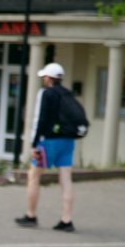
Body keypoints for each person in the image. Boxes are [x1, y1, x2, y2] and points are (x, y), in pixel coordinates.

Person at [15, 62, 76, 232]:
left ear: (49, 78)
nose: (43, 79)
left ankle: (31, 215)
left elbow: (40, 120)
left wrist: (34, 144)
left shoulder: (45, 93)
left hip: (48, 141)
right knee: (66, 179)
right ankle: (66, 220)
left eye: (44, 77)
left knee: (33, 176)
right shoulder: (68, 94)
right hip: (68, 141)